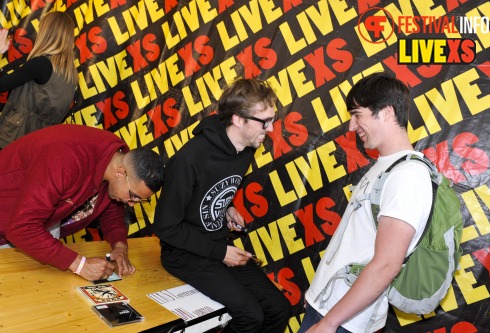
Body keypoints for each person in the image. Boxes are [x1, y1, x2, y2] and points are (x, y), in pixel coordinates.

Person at [298, 72, 433, 333]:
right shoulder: (387, 166)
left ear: (386, 112)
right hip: (330, 308)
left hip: (345, 322)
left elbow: (386, 264)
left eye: (357, 115)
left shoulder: (406, 176)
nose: (351, 126)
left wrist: (329, 322)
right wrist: (318, 294)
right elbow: (356, 245)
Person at [154, 78, 291, 332]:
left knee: (279, 309)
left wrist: (226, 207)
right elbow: (166, 228)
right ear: (239, 119)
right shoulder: (189, 159)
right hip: (184, 254)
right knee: (251, 316)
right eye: (265, 122)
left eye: (273, 119)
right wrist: (221, 253)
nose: (271, 129)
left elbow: (212, 188)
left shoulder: (246, 148)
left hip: (216, 244)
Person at [0, 124, 164, 282]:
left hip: (27, 222)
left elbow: (111, 208)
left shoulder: (115, 160)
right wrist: (80, 265)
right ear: (121, 173)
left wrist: (119, 245)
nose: (132, 204)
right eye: (133, 196)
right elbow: (22, 228)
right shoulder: (66, 159)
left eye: (140, 200)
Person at [0, 11, 78, 149]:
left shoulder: (40, 64)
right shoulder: (71, 75)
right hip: (41, 144)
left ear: (45, 33)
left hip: (14, 138)